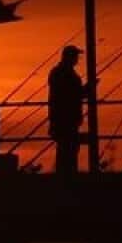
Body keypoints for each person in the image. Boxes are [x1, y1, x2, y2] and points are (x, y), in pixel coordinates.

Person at [48, 45, 87, 175]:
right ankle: (67, 178)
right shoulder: (64, 73)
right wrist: (86, 90)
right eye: (75, 56)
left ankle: (65, 176)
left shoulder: (58, 72)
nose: (77, 59)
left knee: (67, 150)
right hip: (66, 119)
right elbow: (70, 94)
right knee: (68, 150)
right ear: (69, 57)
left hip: (62, 119)